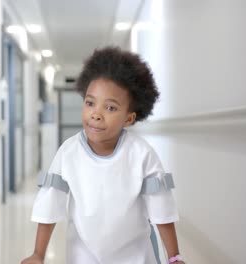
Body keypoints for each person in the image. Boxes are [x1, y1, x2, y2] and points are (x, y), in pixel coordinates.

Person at [21, 47, 185, 264]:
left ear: (129, 118)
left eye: (110, 107)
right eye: (90, 103)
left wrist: (174, 258)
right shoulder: (68, 153)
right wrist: (38, 254)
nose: (96, 114)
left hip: (135, 256)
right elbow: (50, 205)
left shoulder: (142, 155)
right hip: (83, 255)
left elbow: (161, 210)